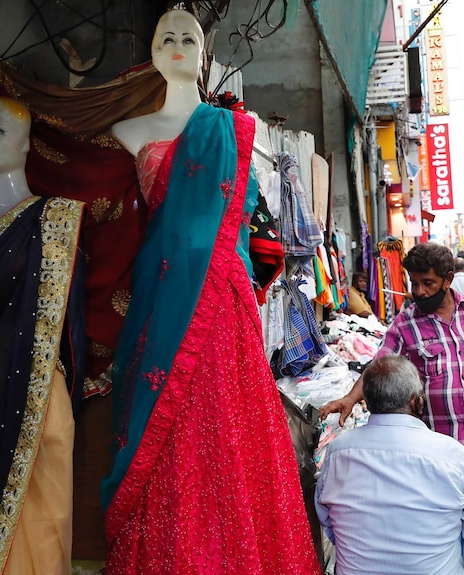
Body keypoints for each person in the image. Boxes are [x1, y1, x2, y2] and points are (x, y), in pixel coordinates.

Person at [104, 9, 319, 574]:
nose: (177, 46)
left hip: (221, 299)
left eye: (189, 39)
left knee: (228, 424)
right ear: (151, 52)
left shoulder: (231, 131)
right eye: (165, 37)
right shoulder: (131, 133)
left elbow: (242, 223)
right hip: (161, 295)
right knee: (168, 430)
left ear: (205, 55)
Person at [0, 96, 87, 575]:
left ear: (27, 144)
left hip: (42, 395)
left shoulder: (56, 221)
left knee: (48, 520)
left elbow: (72, 323)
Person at [320, 242, 464, 575]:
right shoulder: (407, 321)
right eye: (414, 283)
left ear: (448, 280)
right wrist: (351, 398)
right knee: (443, 528)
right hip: (434, 456)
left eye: (428, 284)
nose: (419, 291)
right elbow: (379, 364)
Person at [315, 355, 464, 575]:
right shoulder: (451, 455)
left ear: (368, 402)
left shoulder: (337, 452)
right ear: (417, 402)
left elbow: (327, 518)